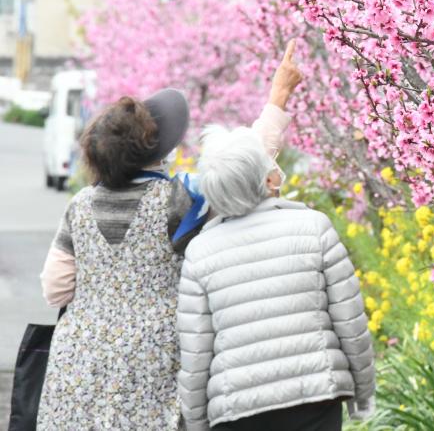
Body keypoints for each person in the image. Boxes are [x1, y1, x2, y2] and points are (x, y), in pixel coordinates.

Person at [35, 42, 302, 430]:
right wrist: (277, 98)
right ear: (154, 151)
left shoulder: (79, 205)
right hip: (155, 360)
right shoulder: (180, 198)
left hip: (77, 360)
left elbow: (56, 289)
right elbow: (244, 168)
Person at [176, 126, 376, 431]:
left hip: (237, 409)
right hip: (315, 393)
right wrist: (363, 391)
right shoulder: (313, 227)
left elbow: (195, 352)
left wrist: (196, 421)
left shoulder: (199, 252)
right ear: (268, 179)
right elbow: (350, 322)